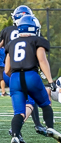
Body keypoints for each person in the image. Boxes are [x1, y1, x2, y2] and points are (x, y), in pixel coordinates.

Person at [5, 15, 61, 143]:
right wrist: (50, 80)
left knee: (19, 113)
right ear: (33, 28)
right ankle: (50, 128)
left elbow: (6, 70)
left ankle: (15, 135)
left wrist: (16, 80)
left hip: (14, 78)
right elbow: (42, 60)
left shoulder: (11, 43)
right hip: (31, 76)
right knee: (45, 104)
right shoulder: (37, 40)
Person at [0, 5, 47, 141]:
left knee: (24, 101)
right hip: (24, 72)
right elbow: (40, 53)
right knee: (31, 101)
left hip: (8, 73)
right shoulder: (33, 31)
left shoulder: (7, 31)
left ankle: (36, 126)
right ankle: (16, 129)